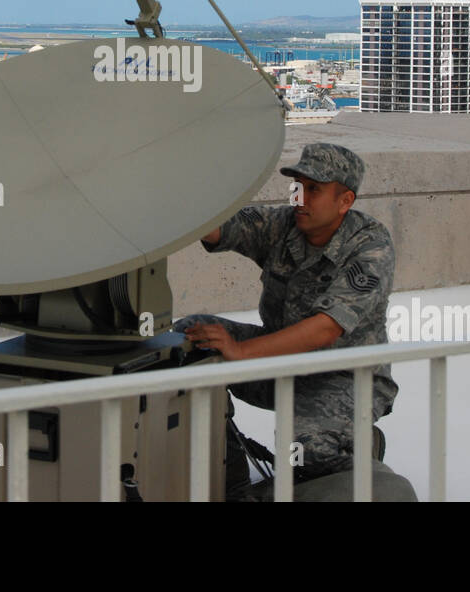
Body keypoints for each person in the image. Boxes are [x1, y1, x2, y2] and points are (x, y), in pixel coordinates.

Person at [174, 141, 408, 499]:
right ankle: (230, 475)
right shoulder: (284, 225)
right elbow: (223, 228)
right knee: (189, 337)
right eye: (297, 186)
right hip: (280, 362)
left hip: (344, 377)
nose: (300, 197)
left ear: (345, 201)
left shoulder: (370, 245)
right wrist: (179, 199)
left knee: (308, 455)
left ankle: (359, 444)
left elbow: (326, 328)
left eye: (314, 189)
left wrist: (241, 350)